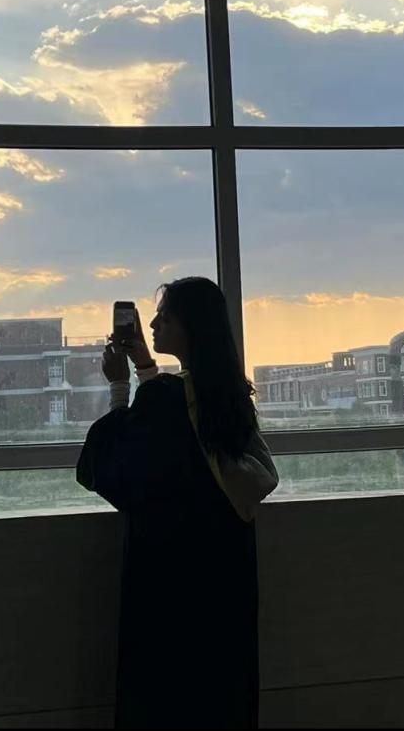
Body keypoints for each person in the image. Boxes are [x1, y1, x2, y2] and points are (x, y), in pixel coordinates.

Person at [76, 277, 278, 729]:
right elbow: (184, 428)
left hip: (169, 581)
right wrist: (146, 368)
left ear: (190, 328)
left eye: (164, 317)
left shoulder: (166, 399)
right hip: (224, 576)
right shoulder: (231, 394)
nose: (151, 324)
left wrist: (118, 386)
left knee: (167, 699)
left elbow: (109, 465)